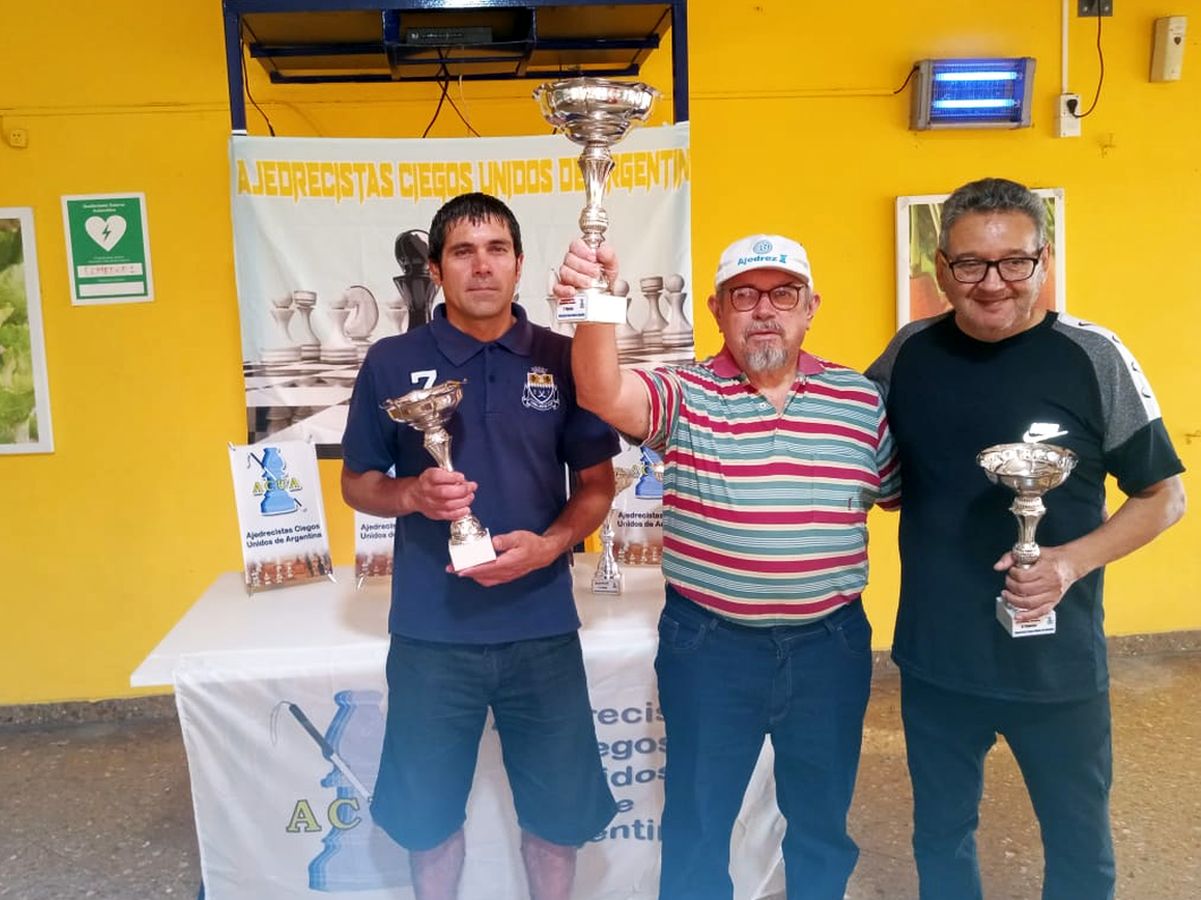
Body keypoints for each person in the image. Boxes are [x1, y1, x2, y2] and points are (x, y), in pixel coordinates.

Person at [866, 177, 1187, 900]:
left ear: (1044, 259)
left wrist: (1068, 563)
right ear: (940, 267)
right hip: (936, 658)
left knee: (1078, 846)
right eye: (970, 263)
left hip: (1055, 665)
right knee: (939, 838)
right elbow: (865, 460)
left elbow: (1164, 498)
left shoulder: (1093, 356)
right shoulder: (909, 353)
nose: (992, 283)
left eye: (1014, 261)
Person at [558, 234, 901, 899]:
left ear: (811, 307)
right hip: (711, 648)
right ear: (717, 310)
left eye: (783, 294)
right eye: (744, 295)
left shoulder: (859, 400)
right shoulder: (684, 393)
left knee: (822, 824)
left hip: (829, 648)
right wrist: (596, 299)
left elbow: (893, 492)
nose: (764, 310)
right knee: (697, 824)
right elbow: (600, 391)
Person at [341, 192, 619, 900]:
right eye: (463, 252)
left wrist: (552, 545)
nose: (482, 266)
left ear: (519, 264)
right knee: (427, 823)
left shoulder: (563, 357)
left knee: (557, 821)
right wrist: (412, 495)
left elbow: (596, 485)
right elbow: (357, 483)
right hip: (432, 633)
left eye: (497, 250)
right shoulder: (392, 360)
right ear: (436, 270)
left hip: (541, 629)